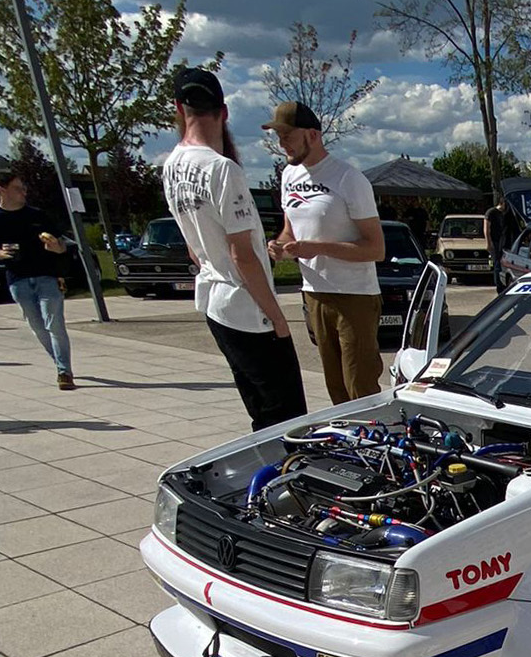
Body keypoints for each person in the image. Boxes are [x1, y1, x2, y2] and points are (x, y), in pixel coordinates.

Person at [163, 68, 306, 430]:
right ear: (223, 112)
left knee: (259, 409)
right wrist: (276, 318)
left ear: (180, 109)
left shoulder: (172, 166)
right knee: (286, 417)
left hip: (214, 302)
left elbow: (193, 246)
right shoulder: (221, 169)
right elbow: (242, 254)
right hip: (246, 308)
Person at [264, 101, 385, 405]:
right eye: (279, 137)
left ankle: (375, 444)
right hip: (314, 293)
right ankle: (346, 446)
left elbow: (376, 248)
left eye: (288, 136)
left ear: (313, 135)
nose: (283, 144)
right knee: (335, 388)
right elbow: (290, 230)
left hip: (354, 296)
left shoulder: (348, 178)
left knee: (360, 387)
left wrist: (314, 248)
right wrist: (280, 247)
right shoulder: (289, 177)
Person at [0, 169, 74, 388]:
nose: (23, 192)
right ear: (2, 190)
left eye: (24, 188)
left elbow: (61, 245)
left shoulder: (37, 215)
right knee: (37, 325)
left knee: (54, 324)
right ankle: (59, 361)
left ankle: (64, 371)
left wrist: (56, 247)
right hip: (17, 278)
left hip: (46, 275)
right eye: (17, 188)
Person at [484, 192, 521, 289]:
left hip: (503, 241)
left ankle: (502, 283)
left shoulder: (505, 215)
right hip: (495, 242)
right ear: (503, 203)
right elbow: (486, 229)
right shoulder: (491, 212)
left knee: (502, 263)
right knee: (496, 263)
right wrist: (488, 243)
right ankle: (498, 285)